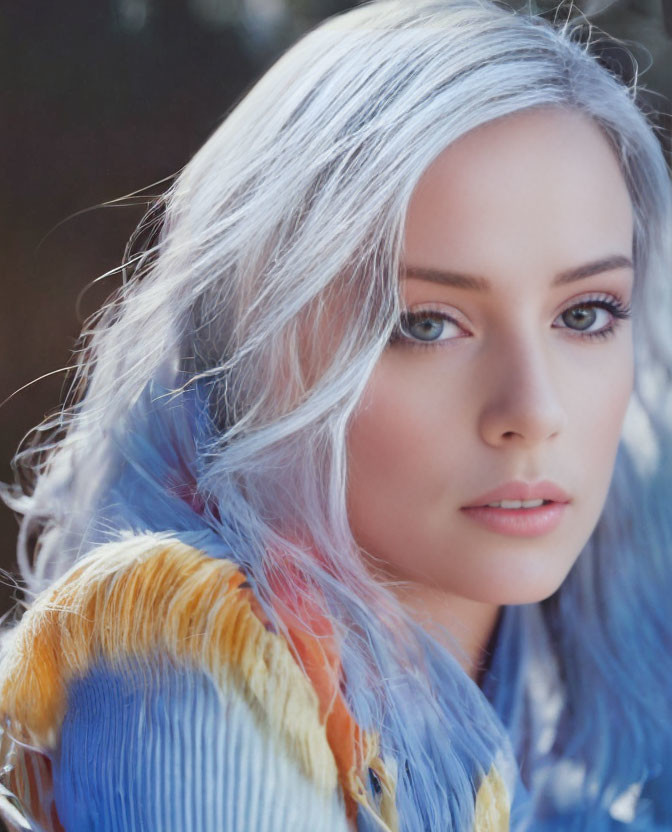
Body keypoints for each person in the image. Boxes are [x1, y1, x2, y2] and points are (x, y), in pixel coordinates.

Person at [0, 0, 671, 829]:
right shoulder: (189, 658)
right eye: (424, 323)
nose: (533, 413)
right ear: (253, 337)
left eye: (586, 313)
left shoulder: (595, 675)